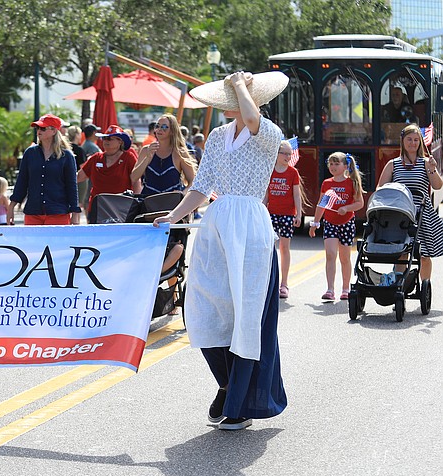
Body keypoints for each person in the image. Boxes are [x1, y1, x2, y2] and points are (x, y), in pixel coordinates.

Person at [151, 71, 289, 431]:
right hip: (217, 223)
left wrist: (241, 86)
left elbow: (254, 120)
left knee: (245, 315)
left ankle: (241, 403)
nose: (234, 103)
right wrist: (173, 216)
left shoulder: (269, 133)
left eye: (238, 97)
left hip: (250, 228)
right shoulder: (215, 136)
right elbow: (200, 187)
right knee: (204, 305)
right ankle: (227, 384)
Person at [376, 123, 443, 283]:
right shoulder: (393, 164)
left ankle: (425, 285)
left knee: (425, 255)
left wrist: (433, 169)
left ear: (420, 142)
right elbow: (380, 188)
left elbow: (437, 185)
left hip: (422, 214)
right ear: (403, 141)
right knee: (402, 253)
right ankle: (399, 285)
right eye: (409, 139)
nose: (412, 143)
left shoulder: (426, 162)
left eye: (416, 140)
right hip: (399, 213)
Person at [308, 152, 365, 301]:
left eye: (336, 164)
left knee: (344, 257)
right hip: (330, 223)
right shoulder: (327, 183)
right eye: (331, 164)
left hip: (346, 223)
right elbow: (322, 204)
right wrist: (315, 223)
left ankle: (346, 288)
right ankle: (330, 289)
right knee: (330, 254)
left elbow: (360, 203)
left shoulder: (351, 182)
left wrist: (346, 208)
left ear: (345, 166)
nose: (333, 167)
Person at [8, 114, 81, 226]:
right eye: (37, 128)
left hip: (58, 212)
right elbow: (22, 181)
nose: (38, 131)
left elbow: (72, 186)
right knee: (32, 244)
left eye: (43, 128)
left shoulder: (66, 156)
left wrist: (75, 213)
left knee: (57, 244)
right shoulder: (30, 153)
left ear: (53, 131)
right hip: (33, 212)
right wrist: (11, 206)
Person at [264, 140, 304, 299]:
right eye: (285, 153)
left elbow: (296, 194)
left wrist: (298, 214)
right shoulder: (269, 171)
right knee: (268, 248)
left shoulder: (293, 173)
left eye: (290, 153)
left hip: (287, 214)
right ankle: (269, 281)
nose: (288, 156)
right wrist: (262, 209)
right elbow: (266, 195)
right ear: (277, 153)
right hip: (271, 213)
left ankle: (284, 283)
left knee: (284, 247)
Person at [77, 125, 141, 219]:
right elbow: (79, 177)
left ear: (120, 141)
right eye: (104, 138)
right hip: (98, 208)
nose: (106, 141)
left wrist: (136, 204)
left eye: (110, 138)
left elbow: (136, 181)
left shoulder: (128, 158)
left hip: (121, 208)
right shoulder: (96, 158)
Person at [131, 114, 197, 197]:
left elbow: (192, 182)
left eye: (164, 127)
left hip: (171, 204)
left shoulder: (179, 152)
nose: (159, 129)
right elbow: (133, 178)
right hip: (148, 203)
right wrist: (148, 158)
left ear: (172, 131)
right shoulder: (146, 150)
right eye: (157, 126)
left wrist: (182, 194)